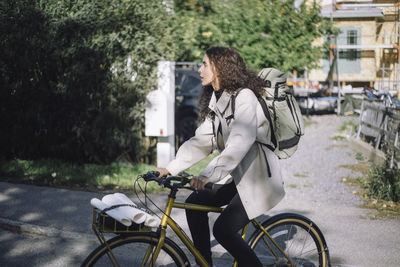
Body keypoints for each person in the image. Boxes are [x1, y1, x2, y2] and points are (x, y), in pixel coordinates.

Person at [155, 46, 285, 266]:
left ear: (220, 68)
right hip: (236, 176)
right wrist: (170, 168)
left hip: (257, 178)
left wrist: (207, 176)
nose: (199, 69)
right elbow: (201, 141)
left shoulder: (244, 98)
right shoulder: (218, 100)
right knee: (195, 204)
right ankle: (204, 263)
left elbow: (239, 144)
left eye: (205, 64)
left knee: (223, 229)